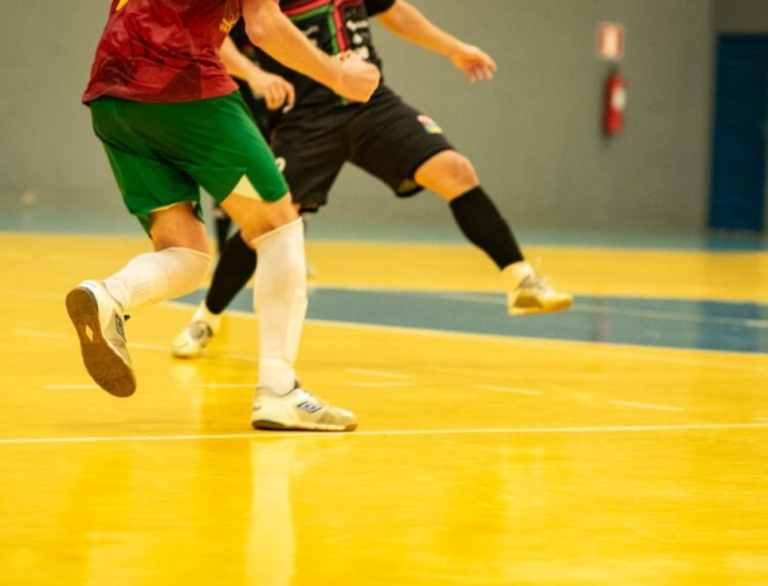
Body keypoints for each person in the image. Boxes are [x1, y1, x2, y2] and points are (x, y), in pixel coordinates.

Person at [172, 0, 573, 359]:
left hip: (373, 106)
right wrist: (253, 74)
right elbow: (216, 36)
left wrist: (453, 48)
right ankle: (206, 318)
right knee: (267, 223)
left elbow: (394, 11)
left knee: (455, 170)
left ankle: (521, 281)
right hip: (310, 116)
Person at [66, 0, 381, 432]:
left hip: (113, 96)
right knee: (279, 226)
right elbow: (264, 25)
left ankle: (107, 296)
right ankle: (279, 391)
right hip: (183, 87)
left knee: (186, 255)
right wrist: (339, 77)